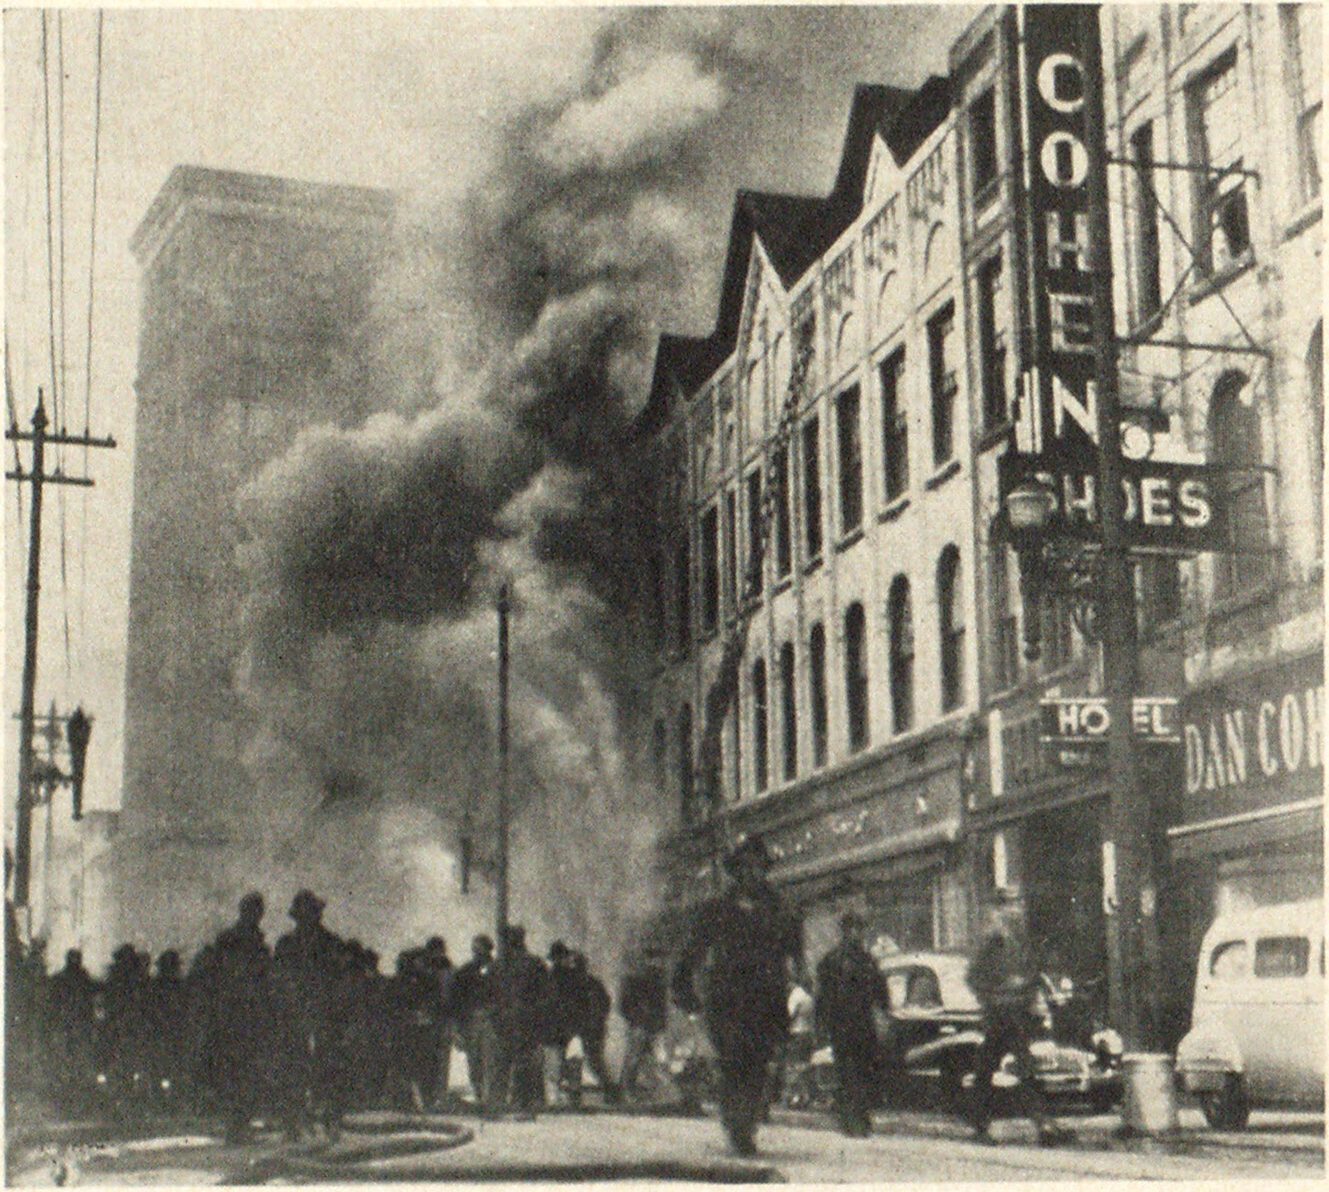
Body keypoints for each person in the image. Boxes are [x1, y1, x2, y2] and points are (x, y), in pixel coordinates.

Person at [673, 834, 801, 1156]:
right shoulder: (718, 908)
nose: (753, 874)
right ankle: (737, 1124)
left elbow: (794, 948)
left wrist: (800, 976)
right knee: (733, 1062)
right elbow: (694, 951)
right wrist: (684, 985)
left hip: (766, 998)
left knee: (757, 1063)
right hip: (727, 998)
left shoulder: (779, 907)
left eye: (759, 867)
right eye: (747, 867)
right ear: (737, 871)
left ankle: (746, 1123)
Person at [965, 887, 1072, 1147]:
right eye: (1013, 903)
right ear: (1001, 907)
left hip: (1015, 1012)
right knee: (1003, 1068)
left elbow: (1029, 971)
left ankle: (1037, 1123)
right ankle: (1034, 1123)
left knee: (1011, 1068)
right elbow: (974, 976)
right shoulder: (992, 937)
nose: (1018, 908)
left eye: (1019, 903)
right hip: (1000, 1013)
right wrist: (994, 996)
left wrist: (1030, 993)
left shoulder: (1016, 937)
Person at [274, 889, 352, 1140]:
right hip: (294, 1015)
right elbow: (278, 979)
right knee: (294, 1070)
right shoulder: (286, 945)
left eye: (313, 913)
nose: (309, 919)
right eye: (304, 914)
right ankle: (294, 1124)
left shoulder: (331, 944)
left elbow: (341, 982)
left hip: (325, 1015)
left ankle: (330, 1121)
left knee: (328, 1069)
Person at [200, 892, 275, 1142]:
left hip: (240, 1015)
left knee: (241, 1072)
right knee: (241, 1072)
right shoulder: (240, 941)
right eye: (256, 910)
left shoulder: (235, 939)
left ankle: (238, 1125)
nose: (258, 915)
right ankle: (237, 1126)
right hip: (240, 1015)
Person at [815, 911, 890, 1136]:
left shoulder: (868, 960)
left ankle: (860, 1118)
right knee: (848, 1073)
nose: (857, 934)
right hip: (841, 1025)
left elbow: (880, 991)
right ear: (845, 932)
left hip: (863, 1024)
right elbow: (823, 997)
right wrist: (821, 1026)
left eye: (860, 930)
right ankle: (851, 1120)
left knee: (864, 1071)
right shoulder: (831, 961)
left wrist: (884, 1011)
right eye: (853, 929)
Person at [488, 924, 547, 1117]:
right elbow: (546, 996)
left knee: (502, 1064)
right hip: (524, 1021)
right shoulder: (534, 963)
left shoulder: (499, 965)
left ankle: (498, 1105)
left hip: (508, 1021)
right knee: (522, 1065)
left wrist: (495, 1015)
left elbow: (489, 995)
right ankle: (523, 1106)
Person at [447, 934, 495, 1105]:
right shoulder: (465, 971)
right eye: (475, 949)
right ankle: (479, 1094)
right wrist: (457, 1029)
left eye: (480, 949)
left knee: (490, 1060)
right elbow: (455, 1001)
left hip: (491, 1021)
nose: (477, 953)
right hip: (471, 1021)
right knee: (474, 1060)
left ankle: (488, 1098)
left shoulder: (497, 970)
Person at [618, 949, 668, 1101]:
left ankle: (635, 1091)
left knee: (643, 1058)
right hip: (642, 1024)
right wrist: (636, 1018)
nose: (658, 963)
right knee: (637, 1058)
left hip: (646, 1024)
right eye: (655, 960)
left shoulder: (653, 979)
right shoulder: (643, 979)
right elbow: (626, 1004)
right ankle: (629, 1091)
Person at [568, 951, 617, 1105]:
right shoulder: (593, 983)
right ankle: (610, 1090)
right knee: (594, 1061)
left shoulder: (574, 985)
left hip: (582, 1028)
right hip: (592, 1028)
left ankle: (575, 1095)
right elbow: (605, 1004)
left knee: (578, 1060)